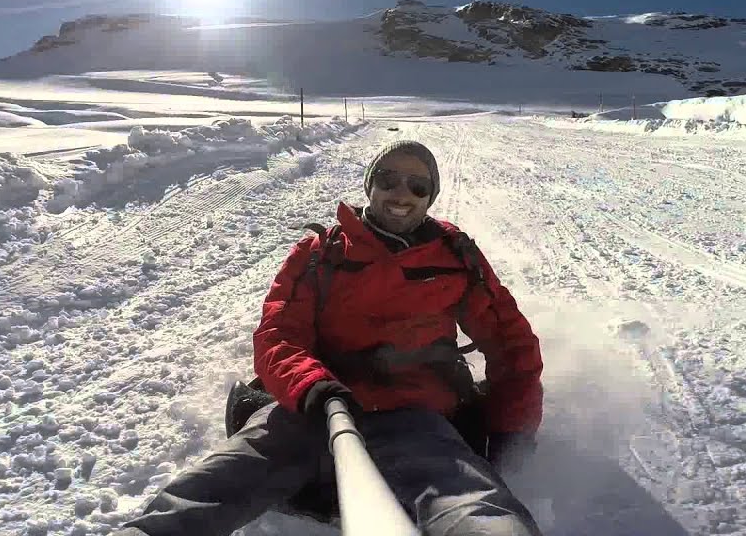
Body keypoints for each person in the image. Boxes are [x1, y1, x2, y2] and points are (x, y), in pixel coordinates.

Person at [118, 140, 545, 536]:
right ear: (369, 185)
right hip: (314, 409)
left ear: (430, 197)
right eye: (388, 179)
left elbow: (511, 342)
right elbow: (279, 333)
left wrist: (512, 428)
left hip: (415, 418)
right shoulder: (320, 253)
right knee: (213, 484)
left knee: (476, 506)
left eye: (417, 185)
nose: (401, 193)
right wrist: (311, 387)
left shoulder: (456, 258)